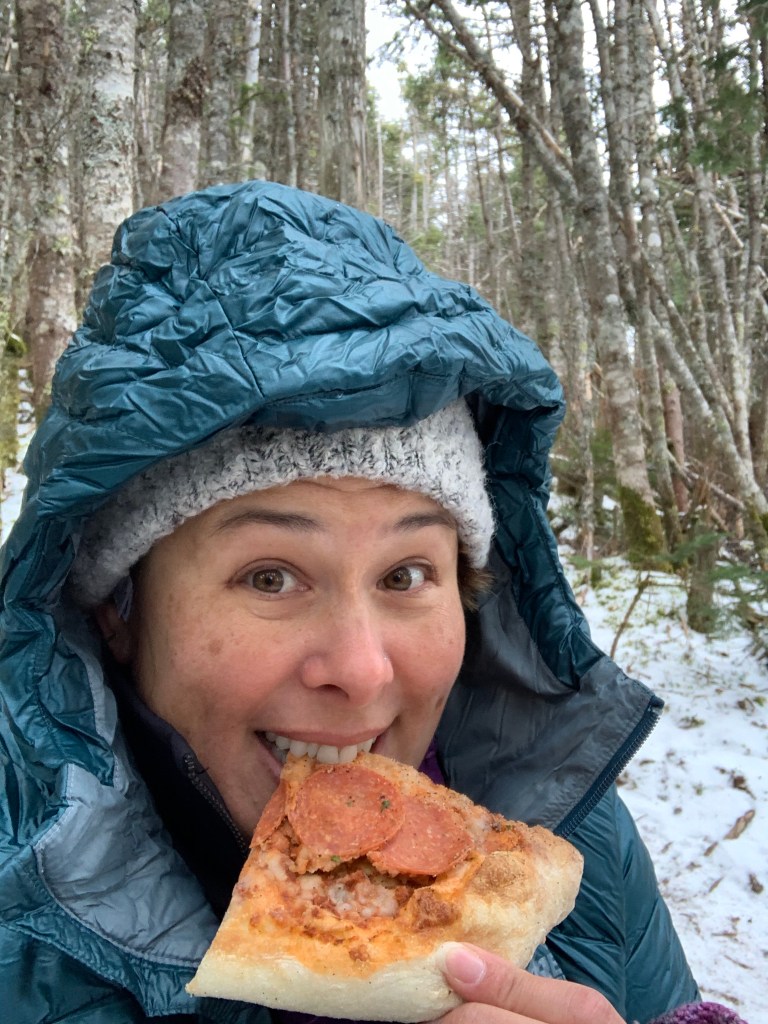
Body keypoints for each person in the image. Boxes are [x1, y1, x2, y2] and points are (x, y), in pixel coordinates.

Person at [0, 180, 704, 1024]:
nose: (363, 671)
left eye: (405, 576)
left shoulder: (561, 844)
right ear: (120, 610)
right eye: (271, 577)